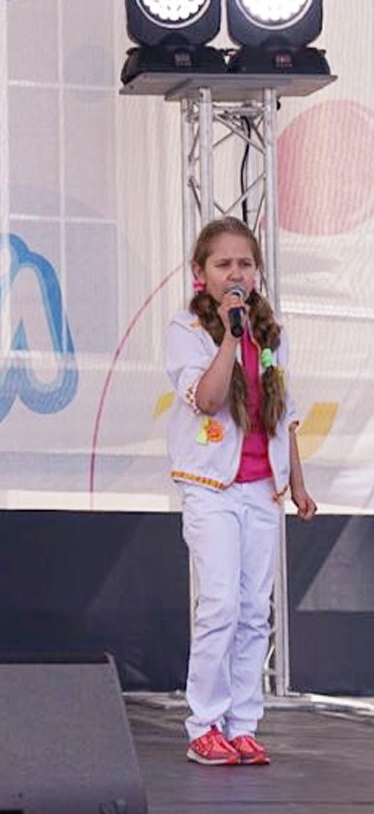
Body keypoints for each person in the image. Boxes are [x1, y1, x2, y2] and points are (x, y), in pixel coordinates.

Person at [165, 217, 316, 766]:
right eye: (223, 264)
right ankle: (204, 724)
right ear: (200, 272)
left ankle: (243, 723)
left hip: (261, 488)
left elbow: (284, 411)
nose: (236, 273)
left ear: (258, 271)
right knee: (221, 603)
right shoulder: (188, 330)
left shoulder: (272, 332)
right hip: (211, 486)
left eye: (245, 264)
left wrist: (297, 482)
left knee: (255, 610)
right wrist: (231, 336)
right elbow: (207, 400)